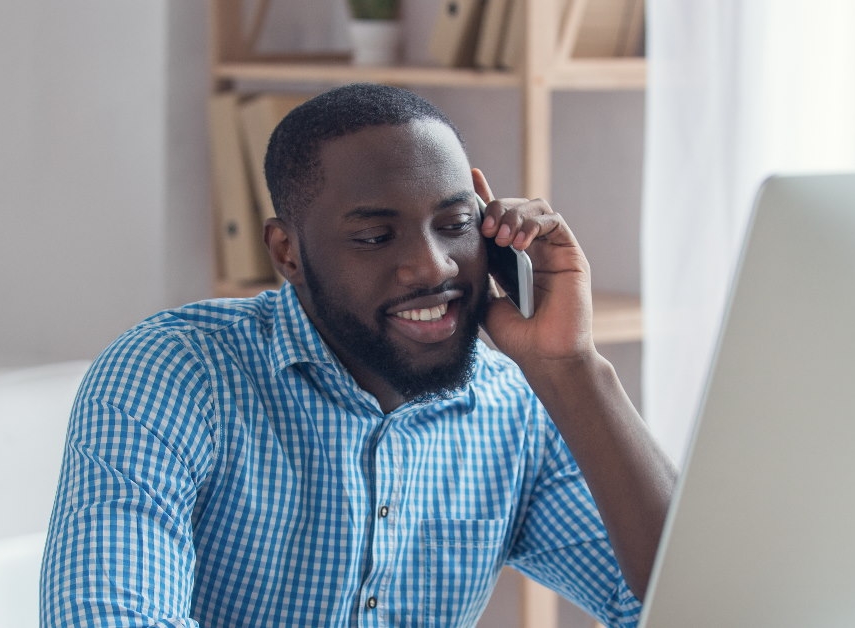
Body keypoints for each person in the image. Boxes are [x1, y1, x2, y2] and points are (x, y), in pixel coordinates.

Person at [40, 83, 676, 627]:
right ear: (288, 253)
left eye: (456, 224)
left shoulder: (513, 408)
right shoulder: (174, 373)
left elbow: (696, 604)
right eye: (374, 236)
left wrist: (573, 369)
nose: (432, 266)